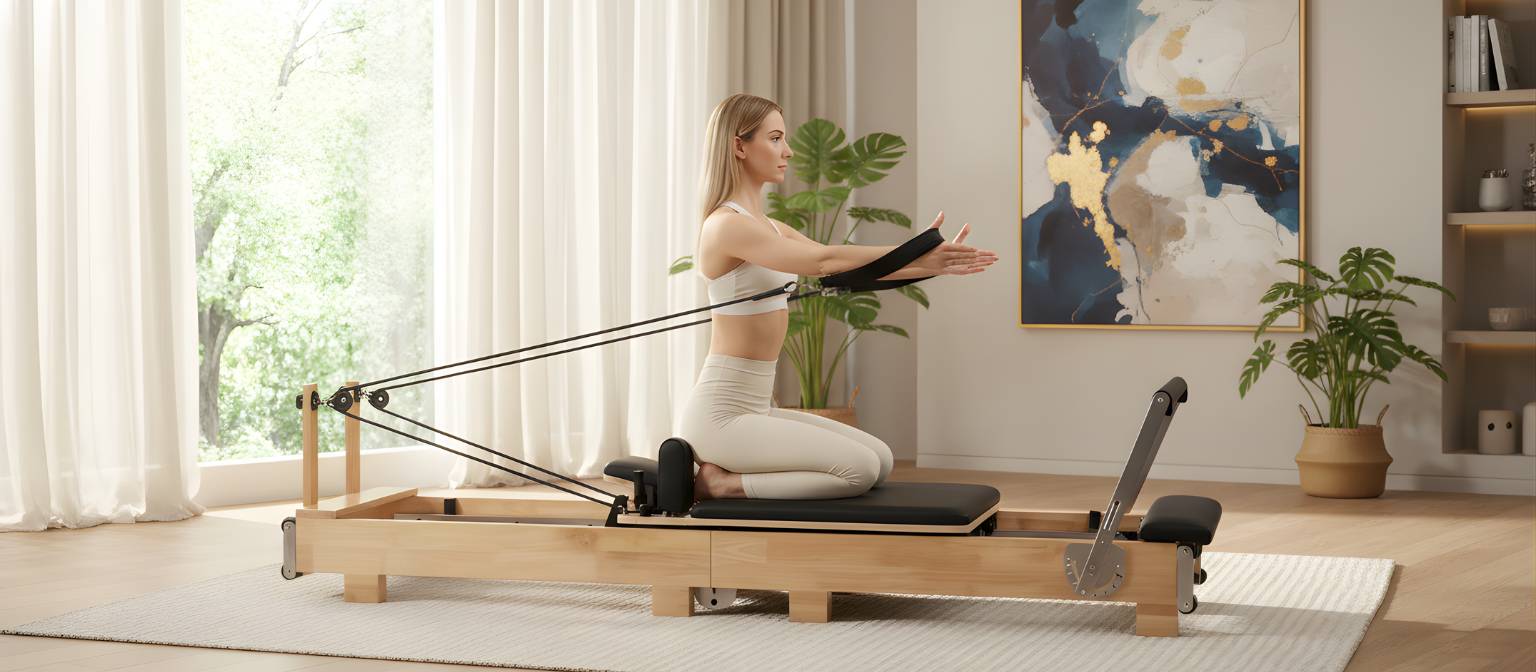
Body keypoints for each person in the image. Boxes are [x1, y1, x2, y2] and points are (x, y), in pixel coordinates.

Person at [680, 93, 997, 504]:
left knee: (880, 460)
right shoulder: (726, 226)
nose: (788, 150)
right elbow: (824, 260)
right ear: (739, 146)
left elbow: (843, 271)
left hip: (756, 408)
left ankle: (728, 477)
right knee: (859, 470)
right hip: (721, 415)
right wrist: (916, 248)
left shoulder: (769, 227)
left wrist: (933, 264)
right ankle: (720, 484)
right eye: (775, 138)